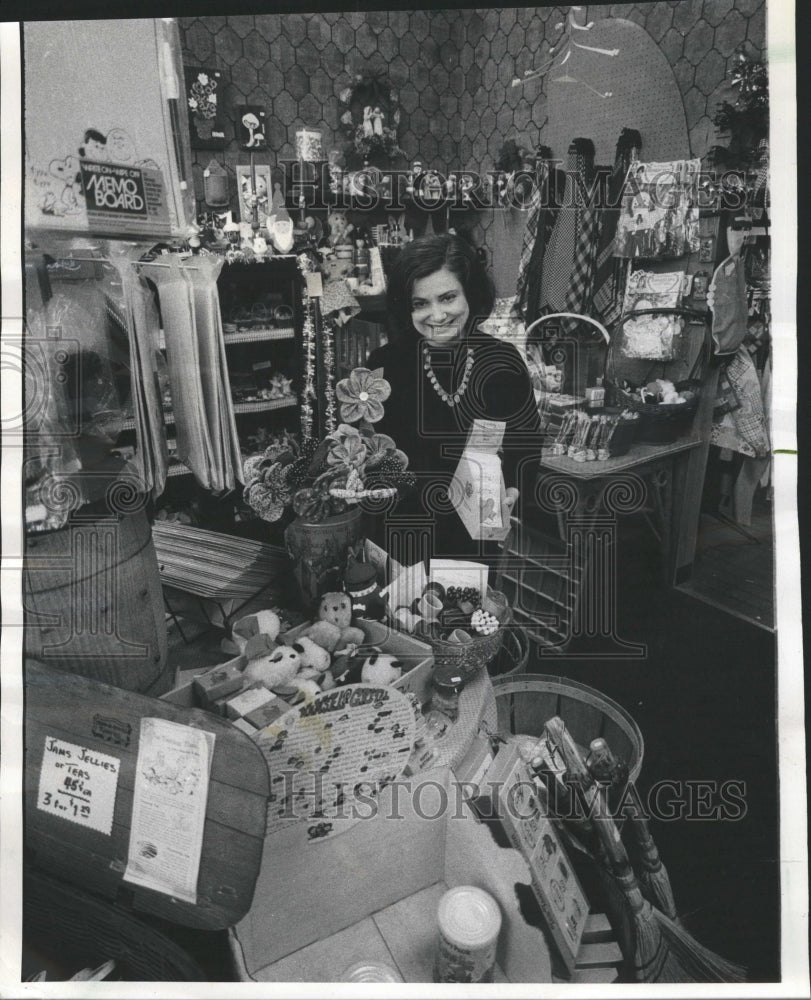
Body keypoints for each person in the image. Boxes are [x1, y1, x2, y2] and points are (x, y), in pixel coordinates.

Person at [366, 233, 542, 570]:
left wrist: (515, 488)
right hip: (406, 533)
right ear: (406, 306)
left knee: (472, 619)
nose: (436, 315)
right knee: (405, 619)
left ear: (471, 295)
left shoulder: (503, 361)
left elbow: (527, 442)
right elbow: (371, 451)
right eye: (420, 303)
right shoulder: (383, 365)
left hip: (479, 533)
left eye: (447, 298)